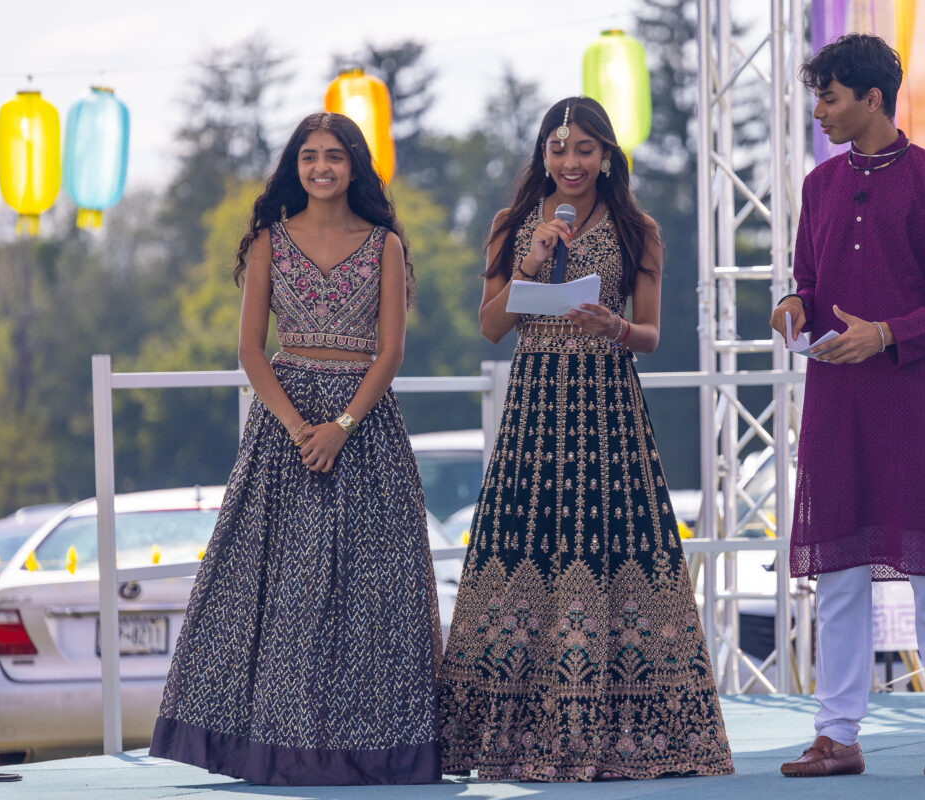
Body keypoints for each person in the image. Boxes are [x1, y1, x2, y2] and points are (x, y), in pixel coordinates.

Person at [438, 97, 734, 782]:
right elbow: (487, 328)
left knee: (615, 553)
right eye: (557, 147)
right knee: (525, 555)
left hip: (606, 410)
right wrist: (532, 262)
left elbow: (653, 334)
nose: (569, 162)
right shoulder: (514, 225)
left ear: (606, 156)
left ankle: (633, 734)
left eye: (584, 149)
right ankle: (507, 737)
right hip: (534, 415)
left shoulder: (639, 229)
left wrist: (615, 329)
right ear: (542, 153)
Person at [150, 112, 442, 786]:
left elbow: (391, 350)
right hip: (284, 432)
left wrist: (340, 425)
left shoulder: (384, 246)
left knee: (373, 591)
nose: (321, 169)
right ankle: (277, 747)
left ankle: (376, 750)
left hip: (364, 429)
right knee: (281, 590)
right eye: (309, 157)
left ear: (354, 167)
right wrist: (296, 427)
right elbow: (251, 351)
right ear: (294, 166)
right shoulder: (268, 245)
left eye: (334, 157)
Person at [769, 34, 925, 779]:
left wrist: (887, 334)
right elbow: (806, 278)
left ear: (872, 98)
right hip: (835, 401)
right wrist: (792, 308)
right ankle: (836, 733)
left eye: (829, 98)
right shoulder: (819, 185)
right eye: (816, 98)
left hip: (911, 401)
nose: (819, 112)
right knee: (836, 571)